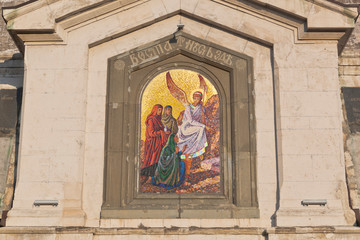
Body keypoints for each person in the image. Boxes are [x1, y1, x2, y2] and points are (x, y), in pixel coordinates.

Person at [141, 104, 170, 182]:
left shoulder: (158, 119)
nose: (160, 112)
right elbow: (151, 133)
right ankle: (150, 177)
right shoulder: (151, 119)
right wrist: (160, 132)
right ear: (155, 110)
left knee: (158, 159)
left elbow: (161, 129)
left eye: (161, 110)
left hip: (158, 143)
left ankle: (156, 177)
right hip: (153, 144)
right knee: (153, 159)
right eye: (159, 110)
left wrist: (165, 132)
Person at [177, 91, 208, 160]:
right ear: (193, 98)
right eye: (195, 98)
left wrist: (203, 114)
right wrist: (203, 126)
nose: (196, 100)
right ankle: (193, 151)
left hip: (195, 126)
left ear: (200, 100)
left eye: (198, 99)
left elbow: (204, 119)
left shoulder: (201, 108)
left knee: (201, 129)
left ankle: (198, 151)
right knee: (201, 129)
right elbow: (190, 121)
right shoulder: (188, 108)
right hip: (186, 127)